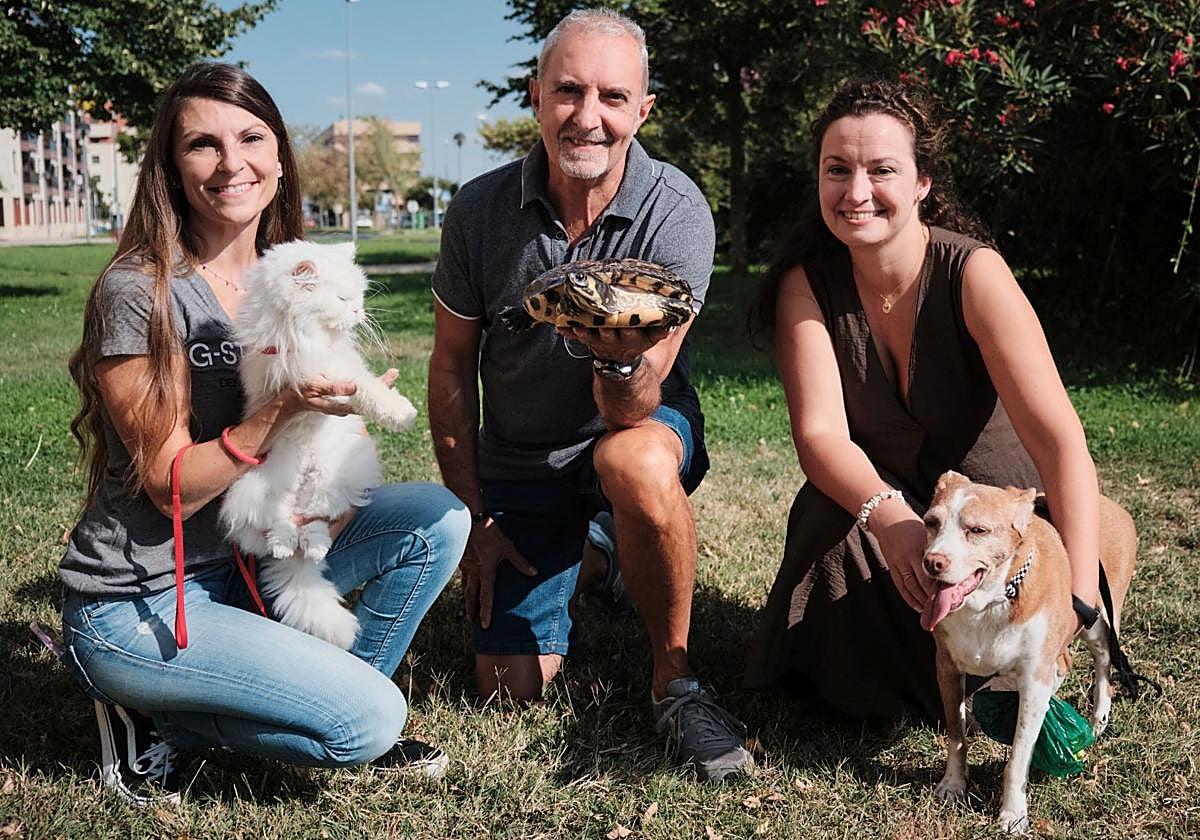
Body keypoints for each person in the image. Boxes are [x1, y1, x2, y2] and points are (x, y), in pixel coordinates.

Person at [60, 62, 470, 805]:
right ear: (171, 165)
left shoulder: (289, 275)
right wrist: (282, 409)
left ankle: (312, 696)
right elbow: (170, 488)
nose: (230, 163)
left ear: (280, 159)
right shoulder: (141, 292)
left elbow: (305, 451)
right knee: (370, 722)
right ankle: (159, 716)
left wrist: (333, 448)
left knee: (437, 520)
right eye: (201, 145)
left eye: (250, 138)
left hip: (247, 558)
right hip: (145, 596)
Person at [427, 8, 753, 783]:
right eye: (568, 91)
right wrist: (477, 515)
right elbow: (449, 368)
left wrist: (615, 364)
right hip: (520, 455)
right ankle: (597, 557)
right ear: (536, 96)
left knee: (633, 461)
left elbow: (635, 407)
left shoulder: (676, 209)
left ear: (643, 110)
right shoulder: (478, 210)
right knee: (507, 691)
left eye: (613, 96)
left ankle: (675, 681)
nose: (588, 116)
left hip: (640, 421)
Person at [743, 77, 1103, 722]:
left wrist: (1077, 598)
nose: (856, 193)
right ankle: (883, 681)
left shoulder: (974, 274)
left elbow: (1058, 441)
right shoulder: (807, 283)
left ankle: (1010, 658)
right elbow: (820, 436)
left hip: (991, 516)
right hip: (893, 502)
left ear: (922, 182)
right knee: (829, 517)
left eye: (881, 170)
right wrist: (891, 519)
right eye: (837, 170)